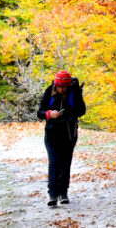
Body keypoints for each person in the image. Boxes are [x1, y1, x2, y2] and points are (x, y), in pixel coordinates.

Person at [37, 70, 86, 207]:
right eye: (59, 86)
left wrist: (68, 111)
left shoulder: (74, 93)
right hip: (51, 134)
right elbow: (39, 112)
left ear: (68, 86)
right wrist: (49, 114)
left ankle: (63, 193)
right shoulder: (49, 91)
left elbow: (82, 111)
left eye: (63, 87)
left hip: (69, 134)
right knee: (54, 163)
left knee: (65, 163)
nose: (61, 89)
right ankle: (53, 195)